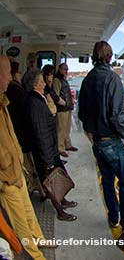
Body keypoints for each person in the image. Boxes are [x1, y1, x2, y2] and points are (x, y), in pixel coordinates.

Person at [78, 41, 124, 235]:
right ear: (109, 57)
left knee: (107, 182)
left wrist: (91, 132)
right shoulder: (113, 79)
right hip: (112, 142)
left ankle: (114, 217)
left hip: (96, 143)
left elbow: (82, 113)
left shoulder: (87, 80)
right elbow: (118, 118)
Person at [0, 55, 49, 260]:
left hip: (16, 169)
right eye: (8, 73)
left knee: (28, 212)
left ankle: (40, 239)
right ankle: (35, 256)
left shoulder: (3, 102)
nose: (11, 77)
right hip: (6, 178)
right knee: (19, 223)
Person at [24, 70, 77, 221]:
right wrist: (48, 159)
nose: (44, 83)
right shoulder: (35, 103)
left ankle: (63, 200)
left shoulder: (38, 99)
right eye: (41, 81)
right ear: (35, 85)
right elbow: (41, 132)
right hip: (45, 152)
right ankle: (60, 211)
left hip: (50, 149)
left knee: (60, 175)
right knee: (51, 182)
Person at [8, 62, 46, 197]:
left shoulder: (14, 91)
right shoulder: (18, 92)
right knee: (30, 167)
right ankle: (37, 190)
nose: (19, 75)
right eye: (18, 72)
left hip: (18, 135)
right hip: (23, 137)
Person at [53, 63, 78, 155]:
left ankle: (68, 145)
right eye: (64, 69)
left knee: (67, 128)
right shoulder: (57, 80)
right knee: (61, 129)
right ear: (59, 69)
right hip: (62, 108)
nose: (66, 71)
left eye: (67, 69)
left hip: (68, 107)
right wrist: (63, 103)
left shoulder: (64, 80)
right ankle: (60, 148)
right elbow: (56, 94)